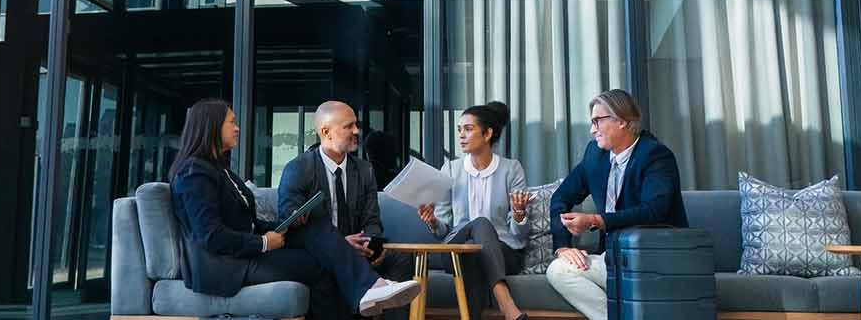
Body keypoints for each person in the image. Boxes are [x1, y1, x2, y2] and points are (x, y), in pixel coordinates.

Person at [169, 99, 421, 320]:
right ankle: (370, 287)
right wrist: (264, 243)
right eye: (231, 122)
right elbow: (211, 236)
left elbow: (249, 222)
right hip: (224, 265)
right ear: (211, 127)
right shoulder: (194, 173)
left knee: (314, 226)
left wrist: (278, 230)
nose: (237, 128)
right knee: (320, 260)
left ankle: (371, 286)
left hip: (243, 254)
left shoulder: (222, 170)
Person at [545, 89, 688, 320]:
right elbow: (561, 198)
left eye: (597, 121)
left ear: (621, 120)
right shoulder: (596, 155)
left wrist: (596, 220)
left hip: (654, 260)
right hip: (613, 260)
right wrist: (563, 247)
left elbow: (654, 211)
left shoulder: (655, 156)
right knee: (558, 269)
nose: (592, 130)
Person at [277, 101, 417, 319]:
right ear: (326, 132)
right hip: (319, 252)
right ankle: (368, 291)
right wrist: (341, 243)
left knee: (401, 259)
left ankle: (372, 293)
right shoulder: (298, 168)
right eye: (349, 126)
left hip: (359, 250)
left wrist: (371, 244)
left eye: (356, 125)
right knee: (325, 266)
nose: (356, 131)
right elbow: (289, 221)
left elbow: (372, 219)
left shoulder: (364, 170)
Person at [415, 102, 532, 320]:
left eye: (468, 129)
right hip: (456, 250)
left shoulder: (511, 169)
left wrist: (518, 214)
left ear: (487, 133)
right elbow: (443, 231)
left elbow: (520, 234)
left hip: (504, 252)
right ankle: (506, 303)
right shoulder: (450, 169)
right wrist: (432, 222)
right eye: (459, 129)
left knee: (475, 258)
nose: (461, 135)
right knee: (478, 225)